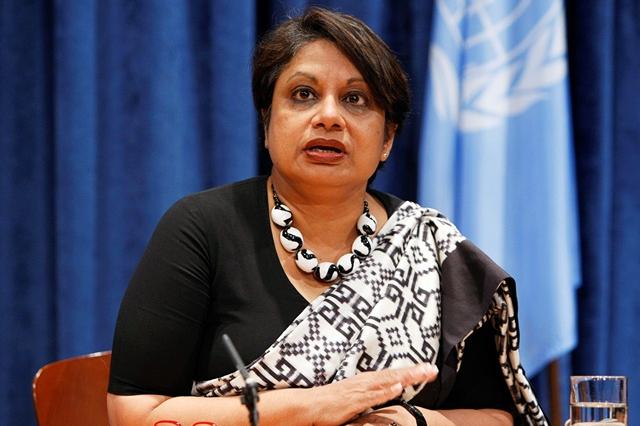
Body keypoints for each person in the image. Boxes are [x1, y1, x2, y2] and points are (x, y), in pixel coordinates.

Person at [107, 7, 547, 426]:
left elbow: (498, 417)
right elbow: (136, 415)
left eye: (355, 99)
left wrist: (412, 419)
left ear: (387, 139)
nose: (330, 117)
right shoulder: (201, 230)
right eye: (304, 95)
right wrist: (317, 406)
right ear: (267, 122)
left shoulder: (428, 246)